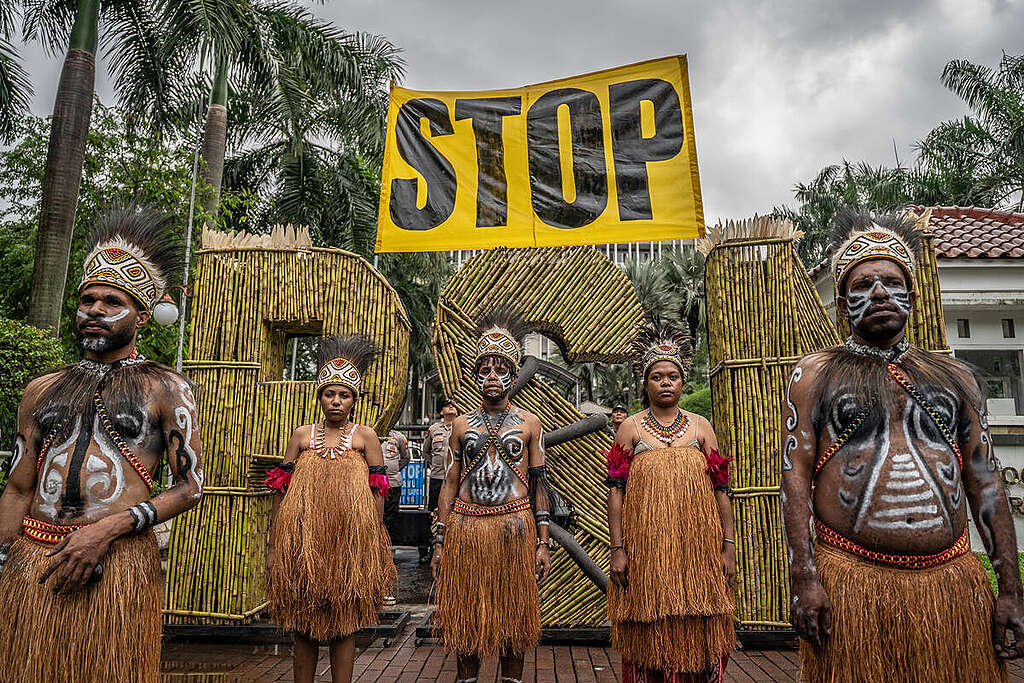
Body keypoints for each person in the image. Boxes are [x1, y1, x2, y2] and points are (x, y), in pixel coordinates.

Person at [781, 210, 1024, 682]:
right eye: (863, 284)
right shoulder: (813, 375)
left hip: (951, 585)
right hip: (853, 582)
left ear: (912, 297)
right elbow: (795, 478)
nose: (878, 293)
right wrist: (804, 577)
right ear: (842, 303)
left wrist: (1011, 590)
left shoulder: (956, 378)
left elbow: (986, 481)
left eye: (891, 283)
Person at [0, 206, 205, 682]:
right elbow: (18, 488)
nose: (94, 309)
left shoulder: (166, 388)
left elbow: (191, 486)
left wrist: (105, 531)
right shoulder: (41, 390)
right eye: (88, 299)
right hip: (35, 560)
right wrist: (4, 560)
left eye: (112, 302)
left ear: (143, 315)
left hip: (116, 564)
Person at [606, 322, 735, 682]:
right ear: (645, 383)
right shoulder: (630, 428)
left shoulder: (701, 426)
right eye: (657, 377)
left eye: (673, 376)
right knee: (650, 624)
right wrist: (618, 549)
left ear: (683, 382)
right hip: (647, 550)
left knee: (699, 619)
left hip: (698, 548)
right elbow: (615, 492)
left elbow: (721, 489)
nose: (666, 382)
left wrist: (728, 545)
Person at [265, 335, 397, 683]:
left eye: (344, 395)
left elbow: (378, 492)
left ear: (354, 399)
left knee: (344, 622)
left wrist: (373, 540)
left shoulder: (365, 437)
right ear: (320, 396)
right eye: (329, 394)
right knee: (303, 621)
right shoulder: (302, 436)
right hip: (304, 544)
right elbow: (281, 490)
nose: (336, 401)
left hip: (348, 545)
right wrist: (276, 543)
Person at [432, 310, 553, 683]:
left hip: (514, 527)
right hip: (466, 528)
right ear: (475, 376)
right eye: (485, 370)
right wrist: (440, 539)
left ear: (513, 377)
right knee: (467, 616)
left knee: (513, 616)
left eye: (501, 370)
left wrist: (543, 541)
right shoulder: (461, 424)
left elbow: (540, 483)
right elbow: (449, 483)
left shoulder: (530, 423)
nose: (492, 377)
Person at [420, 398, 458, 562]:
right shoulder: (434, 429)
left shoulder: (462, 427)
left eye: (453, 405)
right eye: (447, 406)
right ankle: (433, 547)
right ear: (442, 412)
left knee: (455, 512)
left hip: (456, 479)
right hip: (437, 477)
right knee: (434, 513)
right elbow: (426, 452)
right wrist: (435, 466)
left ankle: (452, 548)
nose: (451, 407)